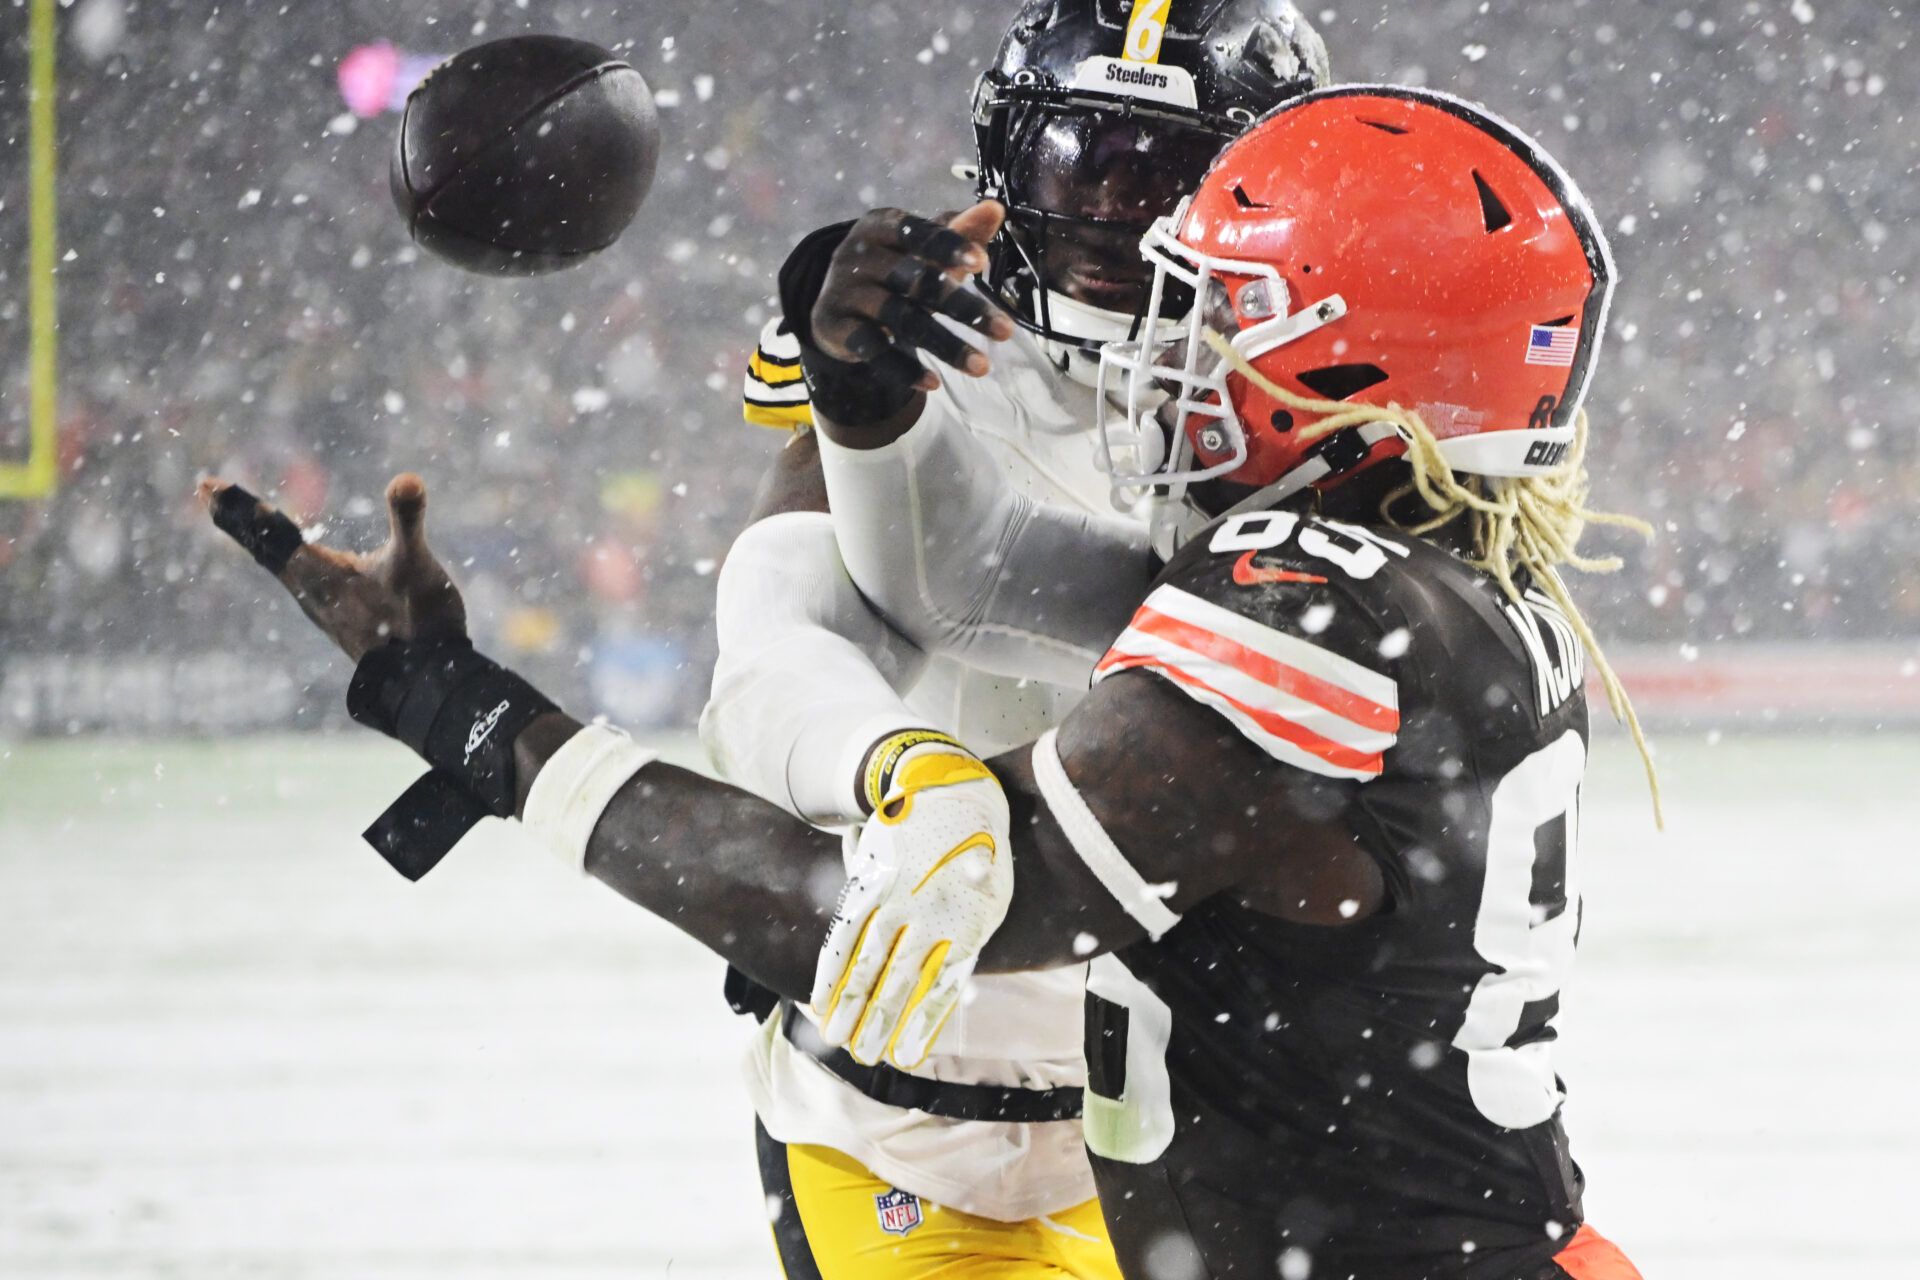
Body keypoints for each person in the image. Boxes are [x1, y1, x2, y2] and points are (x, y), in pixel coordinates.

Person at [203, 87, 1646, 1279]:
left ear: (1344, 359)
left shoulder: (1308, 602)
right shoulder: (1407, 575)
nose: (1170, 354)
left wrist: (473, 722)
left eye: (1221, 318)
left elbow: (883, 920)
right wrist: (859, 389)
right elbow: (968, 571)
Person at [712, 1, 1328, 1273]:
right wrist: (856, 384)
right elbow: (776, 641)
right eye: (1078, 158)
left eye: (1163, 172)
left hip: (1180, 1126)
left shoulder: (1299, 405)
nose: (1111, 215)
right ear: (1003, 155)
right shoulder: (918, 351)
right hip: (901, 1120)